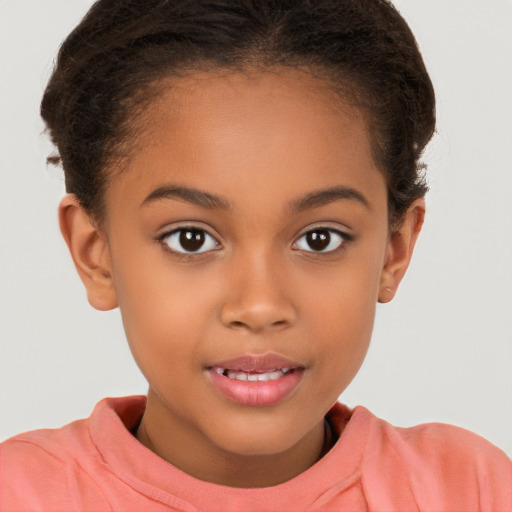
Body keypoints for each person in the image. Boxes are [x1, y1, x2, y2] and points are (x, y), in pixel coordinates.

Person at [1, 0, 511, 510]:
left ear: (393, 252)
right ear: (96, 253)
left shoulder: (472, 490)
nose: (260, 306)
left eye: (319, 239)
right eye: (191, 239)